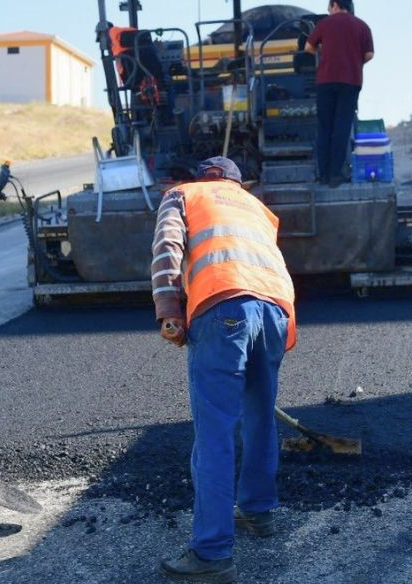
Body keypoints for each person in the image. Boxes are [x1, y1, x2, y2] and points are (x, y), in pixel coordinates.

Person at [151, 156, 297, 584]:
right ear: (237, 183)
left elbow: (167, 249)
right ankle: (258, 511)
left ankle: (212, 553)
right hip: (275, 311)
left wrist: (169, 311)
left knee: (215, 433)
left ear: (204, 179)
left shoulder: (183, 194)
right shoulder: (256, 207)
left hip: (223, 308)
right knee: (259, 417)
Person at [305, 0, 374, 187]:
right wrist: (353, 60)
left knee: (325, 127)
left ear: (335, 5)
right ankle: (336, 175)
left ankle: (323, 175)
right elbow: (369, 54)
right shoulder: (362, 26)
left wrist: (323, 51)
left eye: (329, 8)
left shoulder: (325, 24)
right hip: (351, 82)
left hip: (326, 81)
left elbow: (308, 47)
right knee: (342, 128)